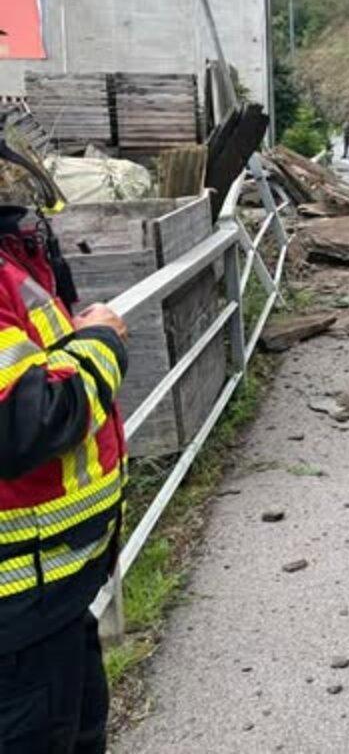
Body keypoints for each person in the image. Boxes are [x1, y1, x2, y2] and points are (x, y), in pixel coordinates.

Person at [0, 133, 129, 754]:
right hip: (17, 619)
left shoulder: (14, 249)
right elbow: (25, 421)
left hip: (52, 594)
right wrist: (102, 341)